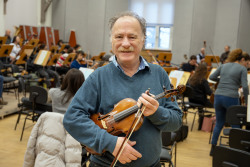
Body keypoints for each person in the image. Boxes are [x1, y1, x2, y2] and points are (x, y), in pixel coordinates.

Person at [63, 11, 182, 167]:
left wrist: (156, 112)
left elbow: (176, 121)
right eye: (119, 37)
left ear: (143, 40)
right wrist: (110, 143)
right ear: (112, 41)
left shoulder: (159, 74)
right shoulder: (98, 76)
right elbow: (72, 118)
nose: (125, 43)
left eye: (132, 37)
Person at [209, 48, 249, 156]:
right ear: (242, 59)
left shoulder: (223, 65)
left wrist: (222, 81)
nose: (247, 64)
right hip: (231, 97)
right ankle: (235, 150)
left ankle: (213, 149)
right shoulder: (242, 69)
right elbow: (245, 86)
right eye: (247, 62)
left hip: (218, 96)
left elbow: (211, 77)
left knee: (219, 123)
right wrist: (247, 100)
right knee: (235, 124)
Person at [187, 63, 213, 130]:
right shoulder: (203, 80)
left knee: (200, 98)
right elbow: (209, 93)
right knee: (216, 105)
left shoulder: (191, 78)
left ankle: (201, 119)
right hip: (201, 101)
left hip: (191, 100)